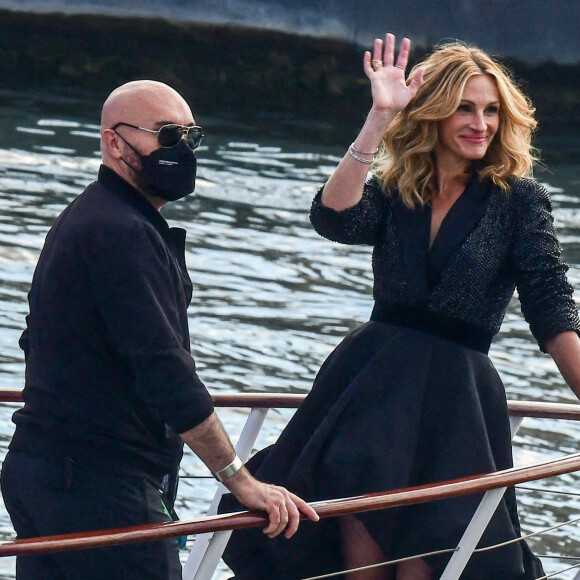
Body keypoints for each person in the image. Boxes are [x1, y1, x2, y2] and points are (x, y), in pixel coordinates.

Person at [220, 34, 580, 580]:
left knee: (429, 564)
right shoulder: (395, 188)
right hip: (370, 389)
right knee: (358, 560)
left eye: (490, 110)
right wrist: (379, 117)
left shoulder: (519, 200)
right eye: (464, 107)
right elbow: (334, 218)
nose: (480, 123)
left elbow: (553, 312)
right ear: (431, 112)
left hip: (454, 405)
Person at [0, 80, 318, 579]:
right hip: (100, 488)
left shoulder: (89, 218)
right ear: (114, 142)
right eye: (167, 137)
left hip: (45, 473)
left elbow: (44, 341)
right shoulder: (121, 232)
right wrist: (241, 481)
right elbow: (166, 373)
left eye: (191, 138)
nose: (182, 152)